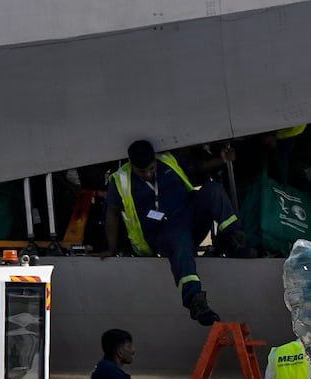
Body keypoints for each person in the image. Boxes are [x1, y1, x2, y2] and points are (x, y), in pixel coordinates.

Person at [102, 139, 251, 326]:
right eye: (142, 172)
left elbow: (197, 168)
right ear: (131, 165)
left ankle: (234, 241)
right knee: (179, 242)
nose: (148, 174)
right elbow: (112, 213)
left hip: (188, 216)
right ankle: (195, 301)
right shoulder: (120, 179)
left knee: (213, 190)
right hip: (161, 232)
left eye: (151, 168)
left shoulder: (167, 160)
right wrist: (111, 247)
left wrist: (222, 160)